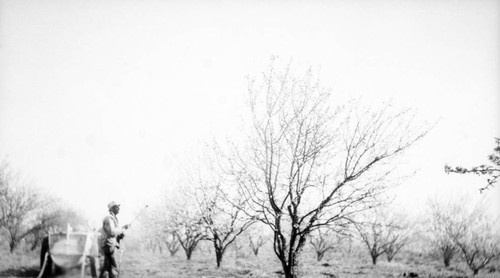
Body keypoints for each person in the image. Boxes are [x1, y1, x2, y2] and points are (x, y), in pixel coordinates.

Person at [99, 201, 129, 278]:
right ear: (111, 209)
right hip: (109, 245)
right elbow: (111, 232)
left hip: (110, 244)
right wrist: (122, 230)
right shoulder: (109, 219)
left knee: (106, 267)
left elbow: (114, 232)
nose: (119, 208)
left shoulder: (113, 218)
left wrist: (121, 233)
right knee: (113, 267)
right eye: (116, 207)